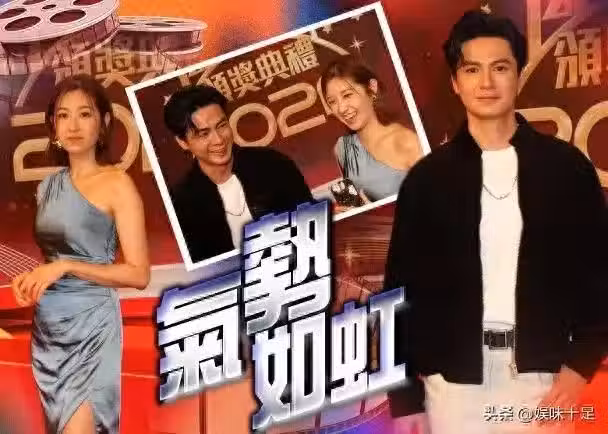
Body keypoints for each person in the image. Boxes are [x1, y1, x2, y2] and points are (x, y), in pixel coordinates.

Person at [385, 10, 608, 434]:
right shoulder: (427, 180)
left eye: (500, 68)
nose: (486, 82)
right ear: (455, 82)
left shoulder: (566, 168)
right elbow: (400, 290)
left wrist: (580, 364)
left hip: (542, 380)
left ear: (518, 75)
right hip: (452, 386)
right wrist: (405, 395)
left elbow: (599, 274)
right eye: (472, 69)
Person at [11, 75, 150, 433]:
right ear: (53, 125)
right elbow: (53, 258)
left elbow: (138, 274)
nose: (73, 125)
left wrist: (66, 266)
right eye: (63, 115)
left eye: (84, 114)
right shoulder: (47, 187)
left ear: (104, 123)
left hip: (92, 328)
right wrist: (31, 280)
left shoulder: (118, 184)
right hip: (49, 331)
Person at [163, 85, 313, 263]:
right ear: (183, 142)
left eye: (222, 126)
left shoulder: (273, 165)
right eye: (204, 134)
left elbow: (312, 225)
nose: (218, 140)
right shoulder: (182, 203)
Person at [321, 58, 422, 207]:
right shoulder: (342, 148)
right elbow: (354, 208)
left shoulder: (407, 142)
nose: (341, 108)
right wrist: (348, 211)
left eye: (347, 95)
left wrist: (382, 212)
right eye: (332, 102)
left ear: (372, 88)